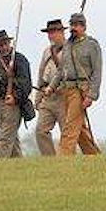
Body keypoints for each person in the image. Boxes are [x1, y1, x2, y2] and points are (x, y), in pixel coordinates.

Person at [47, 13, 102, 156]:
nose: (73, 28)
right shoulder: (67, 45)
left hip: (82, 90)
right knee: (80, 128)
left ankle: (63, 157)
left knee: (70, 126)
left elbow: (97, 72)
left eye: (77, 25)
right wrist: (51, 87)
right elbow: (61, 70)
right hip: (68, 89)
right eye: (72, 25)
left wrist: (91, 95)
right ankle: (94, 156)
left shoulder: (92, 45)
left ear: (83, 27)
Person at [0, 30, 33, 159]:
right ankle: (19, 166)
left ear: (9, 43)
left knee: (5, 137)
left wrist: (15, 97)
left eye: (4, 44)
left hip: (13, 105)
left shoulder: (19, 59)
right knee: (11, 139)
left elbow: (26, 84)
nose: (2, 47)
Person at [34, 19, 66, 156]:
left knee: (67, 131)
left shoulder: (70, 50)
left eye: (54, 32)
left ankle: (67, 159)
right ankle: (49, 160)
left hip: (64, 95)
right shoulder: (47, 51)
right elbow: (41, 74)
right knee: (41, 130)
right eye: (49, 32)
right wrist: (38, 97)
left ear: (62, 32)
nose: (51, 35)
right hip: (47, 96)